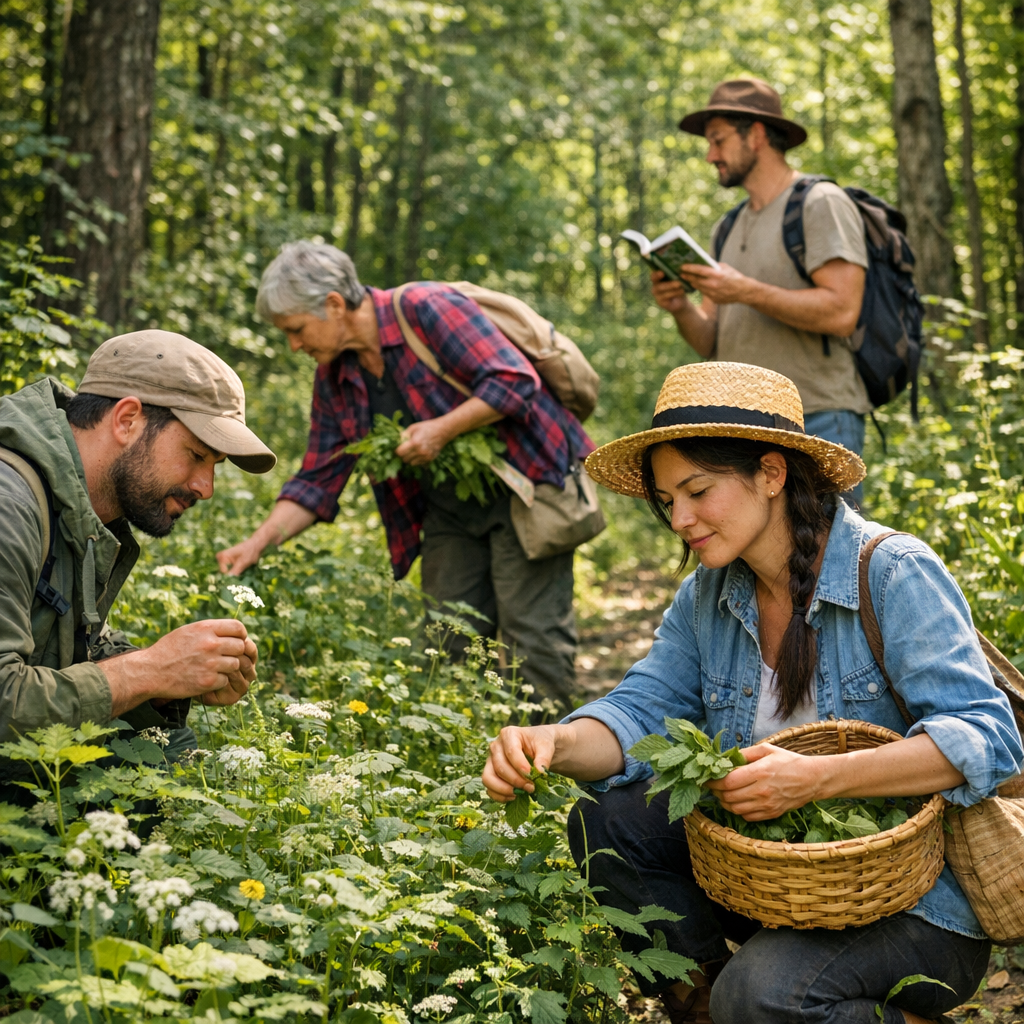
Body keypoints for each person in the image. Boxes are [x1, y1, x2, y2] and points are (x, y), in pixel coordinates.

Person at [482, 361, 1021, 1024]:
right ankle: (710, 1006)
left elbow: (989, 741)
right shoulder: (709, 595)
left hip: (912, 904)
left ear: (771, 473)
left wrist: (815, 780)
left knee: (761, 994)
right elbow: (641, 713)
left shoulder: (891, 572)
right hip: (779, 886)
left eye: (697, 490)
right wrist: (553, 743)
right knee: (605, 825)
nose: (679, 517)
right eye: (666, 499)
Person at [217, 242, 594, 712]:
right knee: (447, 639)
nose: (294, 345)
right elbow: (320, 474)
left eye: (296, 330)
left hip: (528, 487)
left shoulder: (427, 310)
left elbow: (514, 381)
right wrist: (257, 542)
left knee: (531, 644)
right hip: (447, 509)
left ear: (334, 305)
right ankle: (466, 764)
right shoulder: (336, 376)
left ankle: (552, 764)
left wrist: (441, 429)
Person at [0, 329, 276, 769]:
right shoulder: (9, 504)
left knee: (169, 745)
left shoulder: (78, 506)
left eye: (214, 466)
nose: (206, 488)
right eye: (196, 454)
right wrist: (151, 670)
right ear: (127, 420)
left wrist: (179, 678)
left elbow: (69, 649)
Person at [653, 78, 871, 503]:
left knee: (822, 563)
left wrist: (746, 290)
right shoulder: (726, 228)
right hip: (742, 431)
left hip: (818, 420)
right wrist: (679, 306)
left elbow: (843, 310)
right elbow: (709, 339)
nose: (709, 154)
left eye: (717, 140)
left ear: (755, 134)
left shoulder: (820, 202)